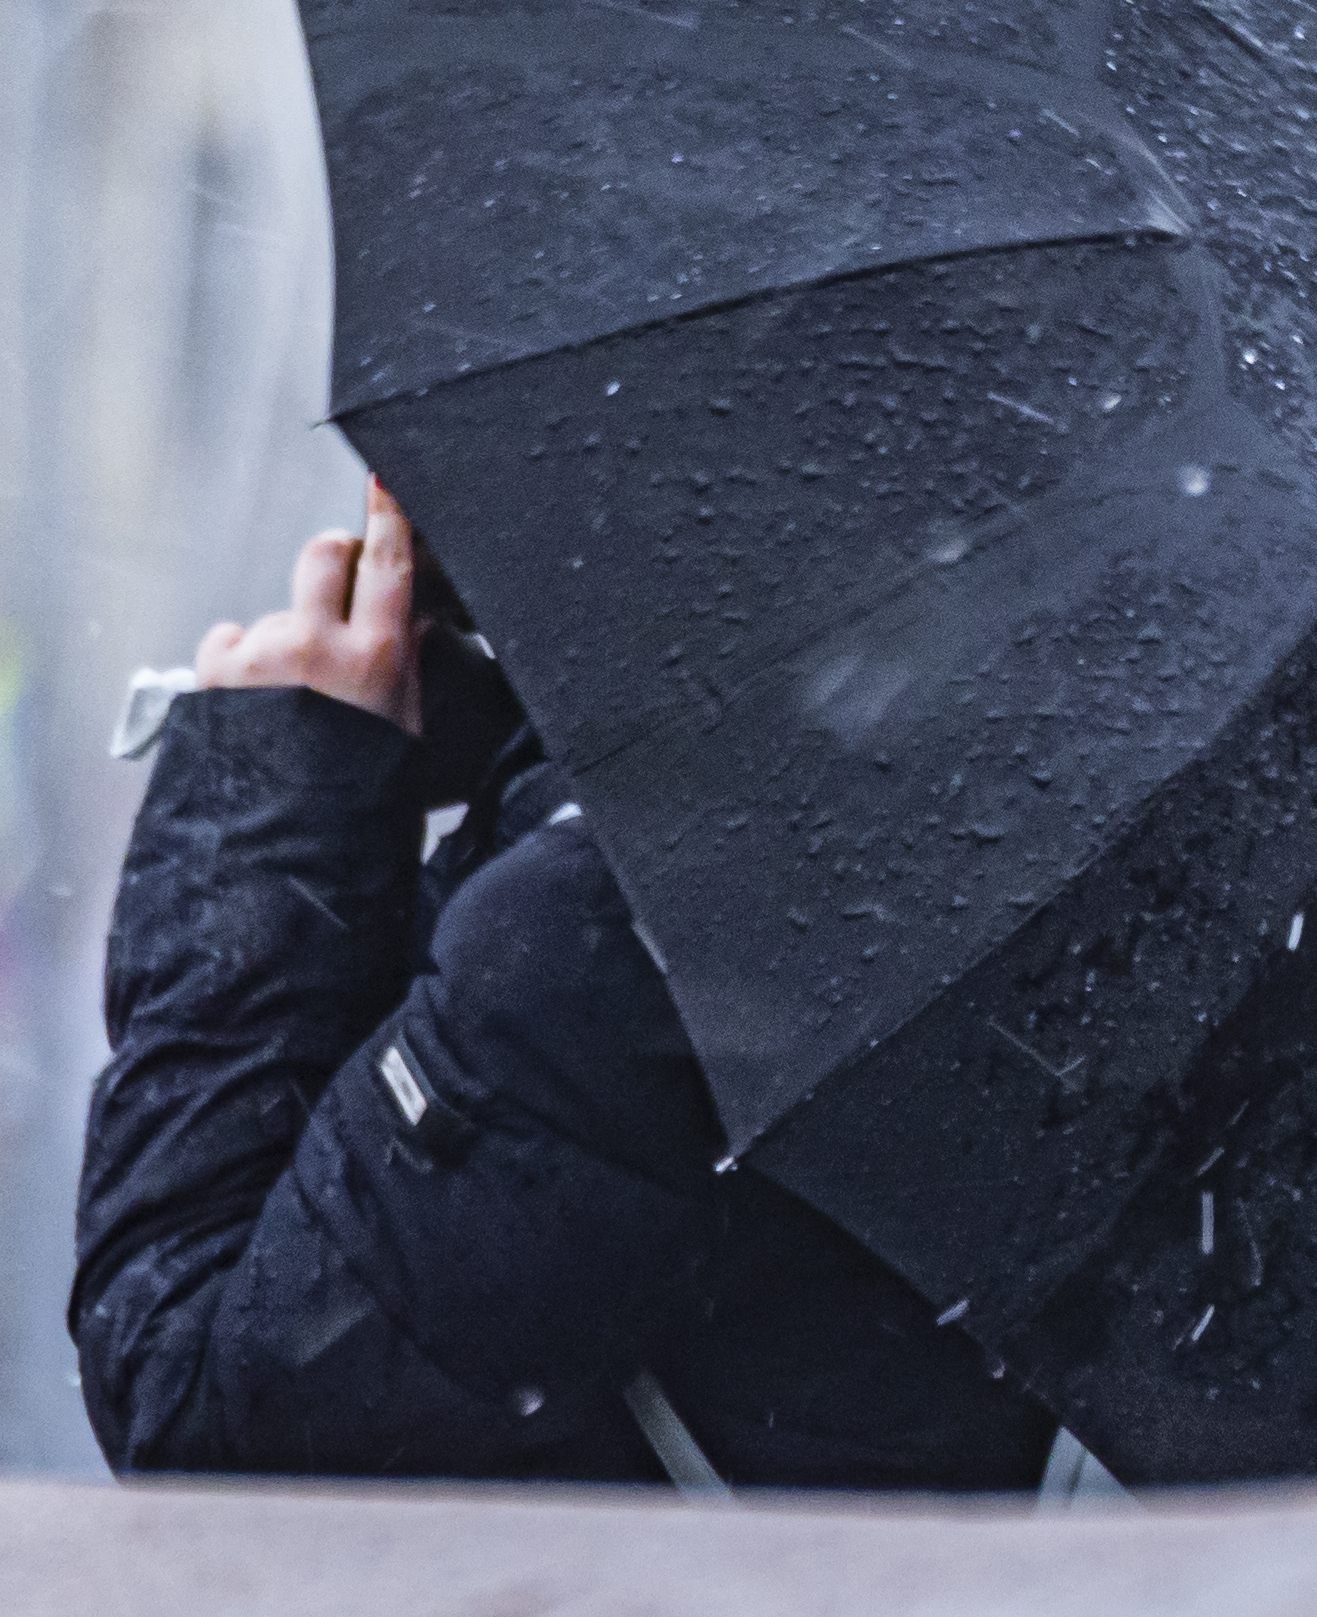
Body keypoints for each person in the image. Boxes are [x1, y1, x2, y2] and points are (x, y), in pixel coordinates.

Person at [69, 487, 1058, 1490]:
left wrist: (272, 800)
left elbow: (192, 1409)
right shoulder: (988, 784)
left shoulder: (619, 921)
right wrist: (514, 743)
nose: (377, 491)